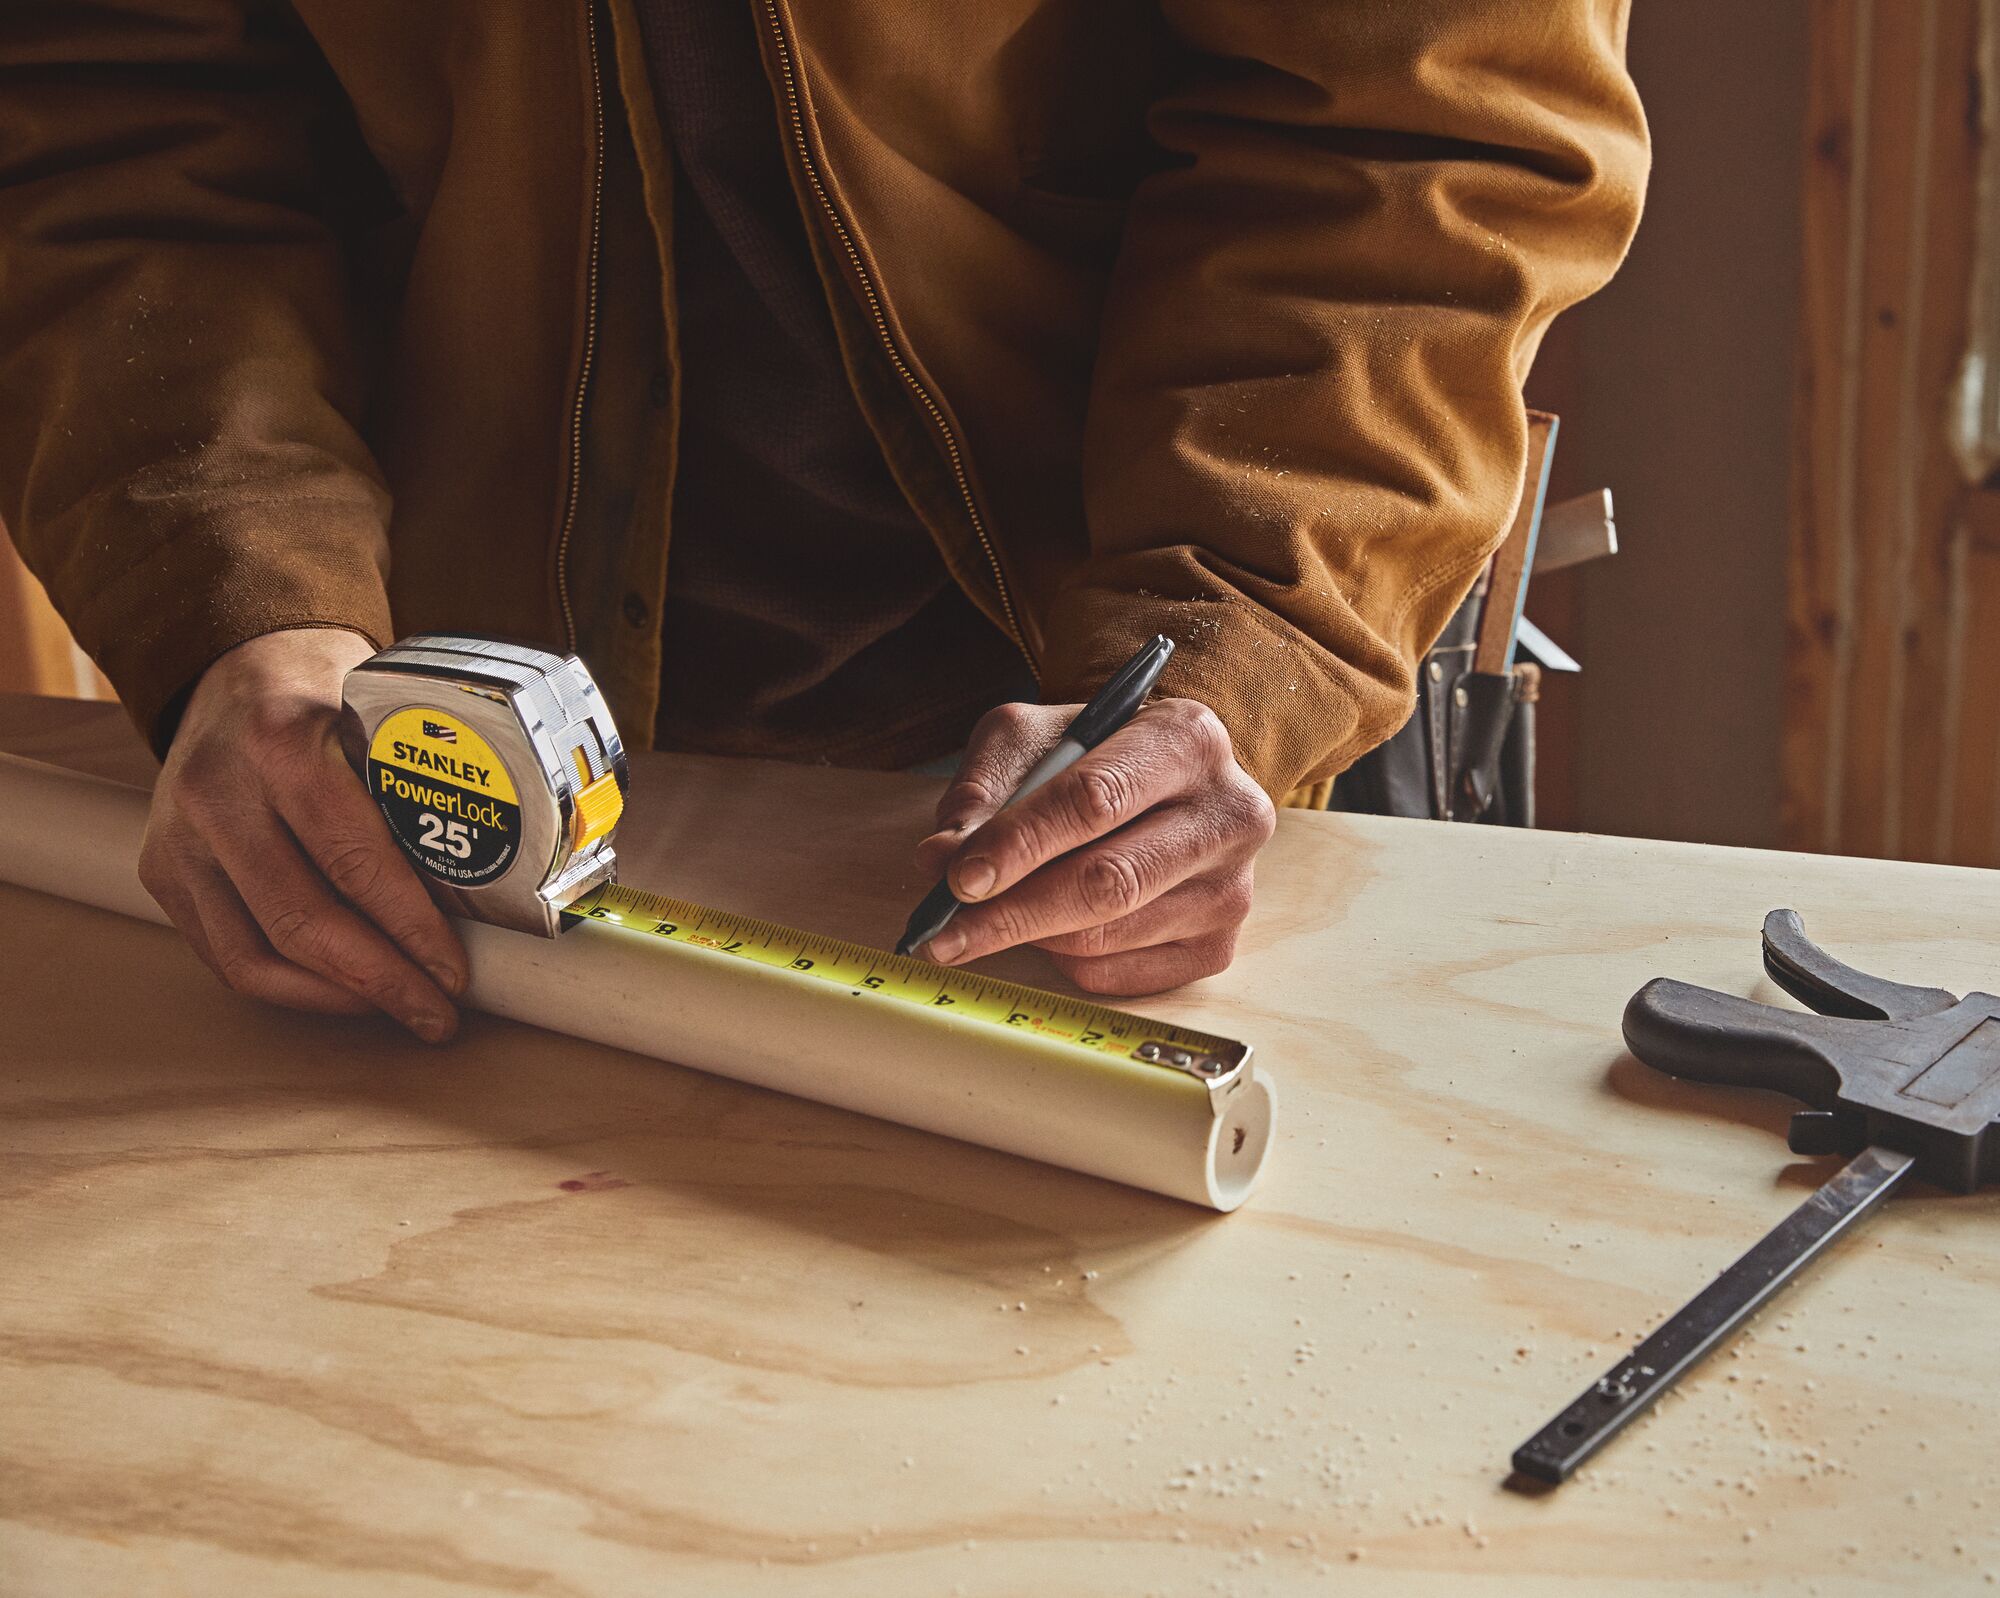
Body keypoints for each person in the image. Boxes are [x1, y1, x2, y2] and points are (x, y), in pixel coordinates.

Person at [0, 3, 1648, 1042]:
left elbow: (1414, 129)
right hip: (449, 722)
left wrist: (1235, 635)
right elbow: (108, 106)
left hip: (1125, 674)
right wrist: (236, 587)